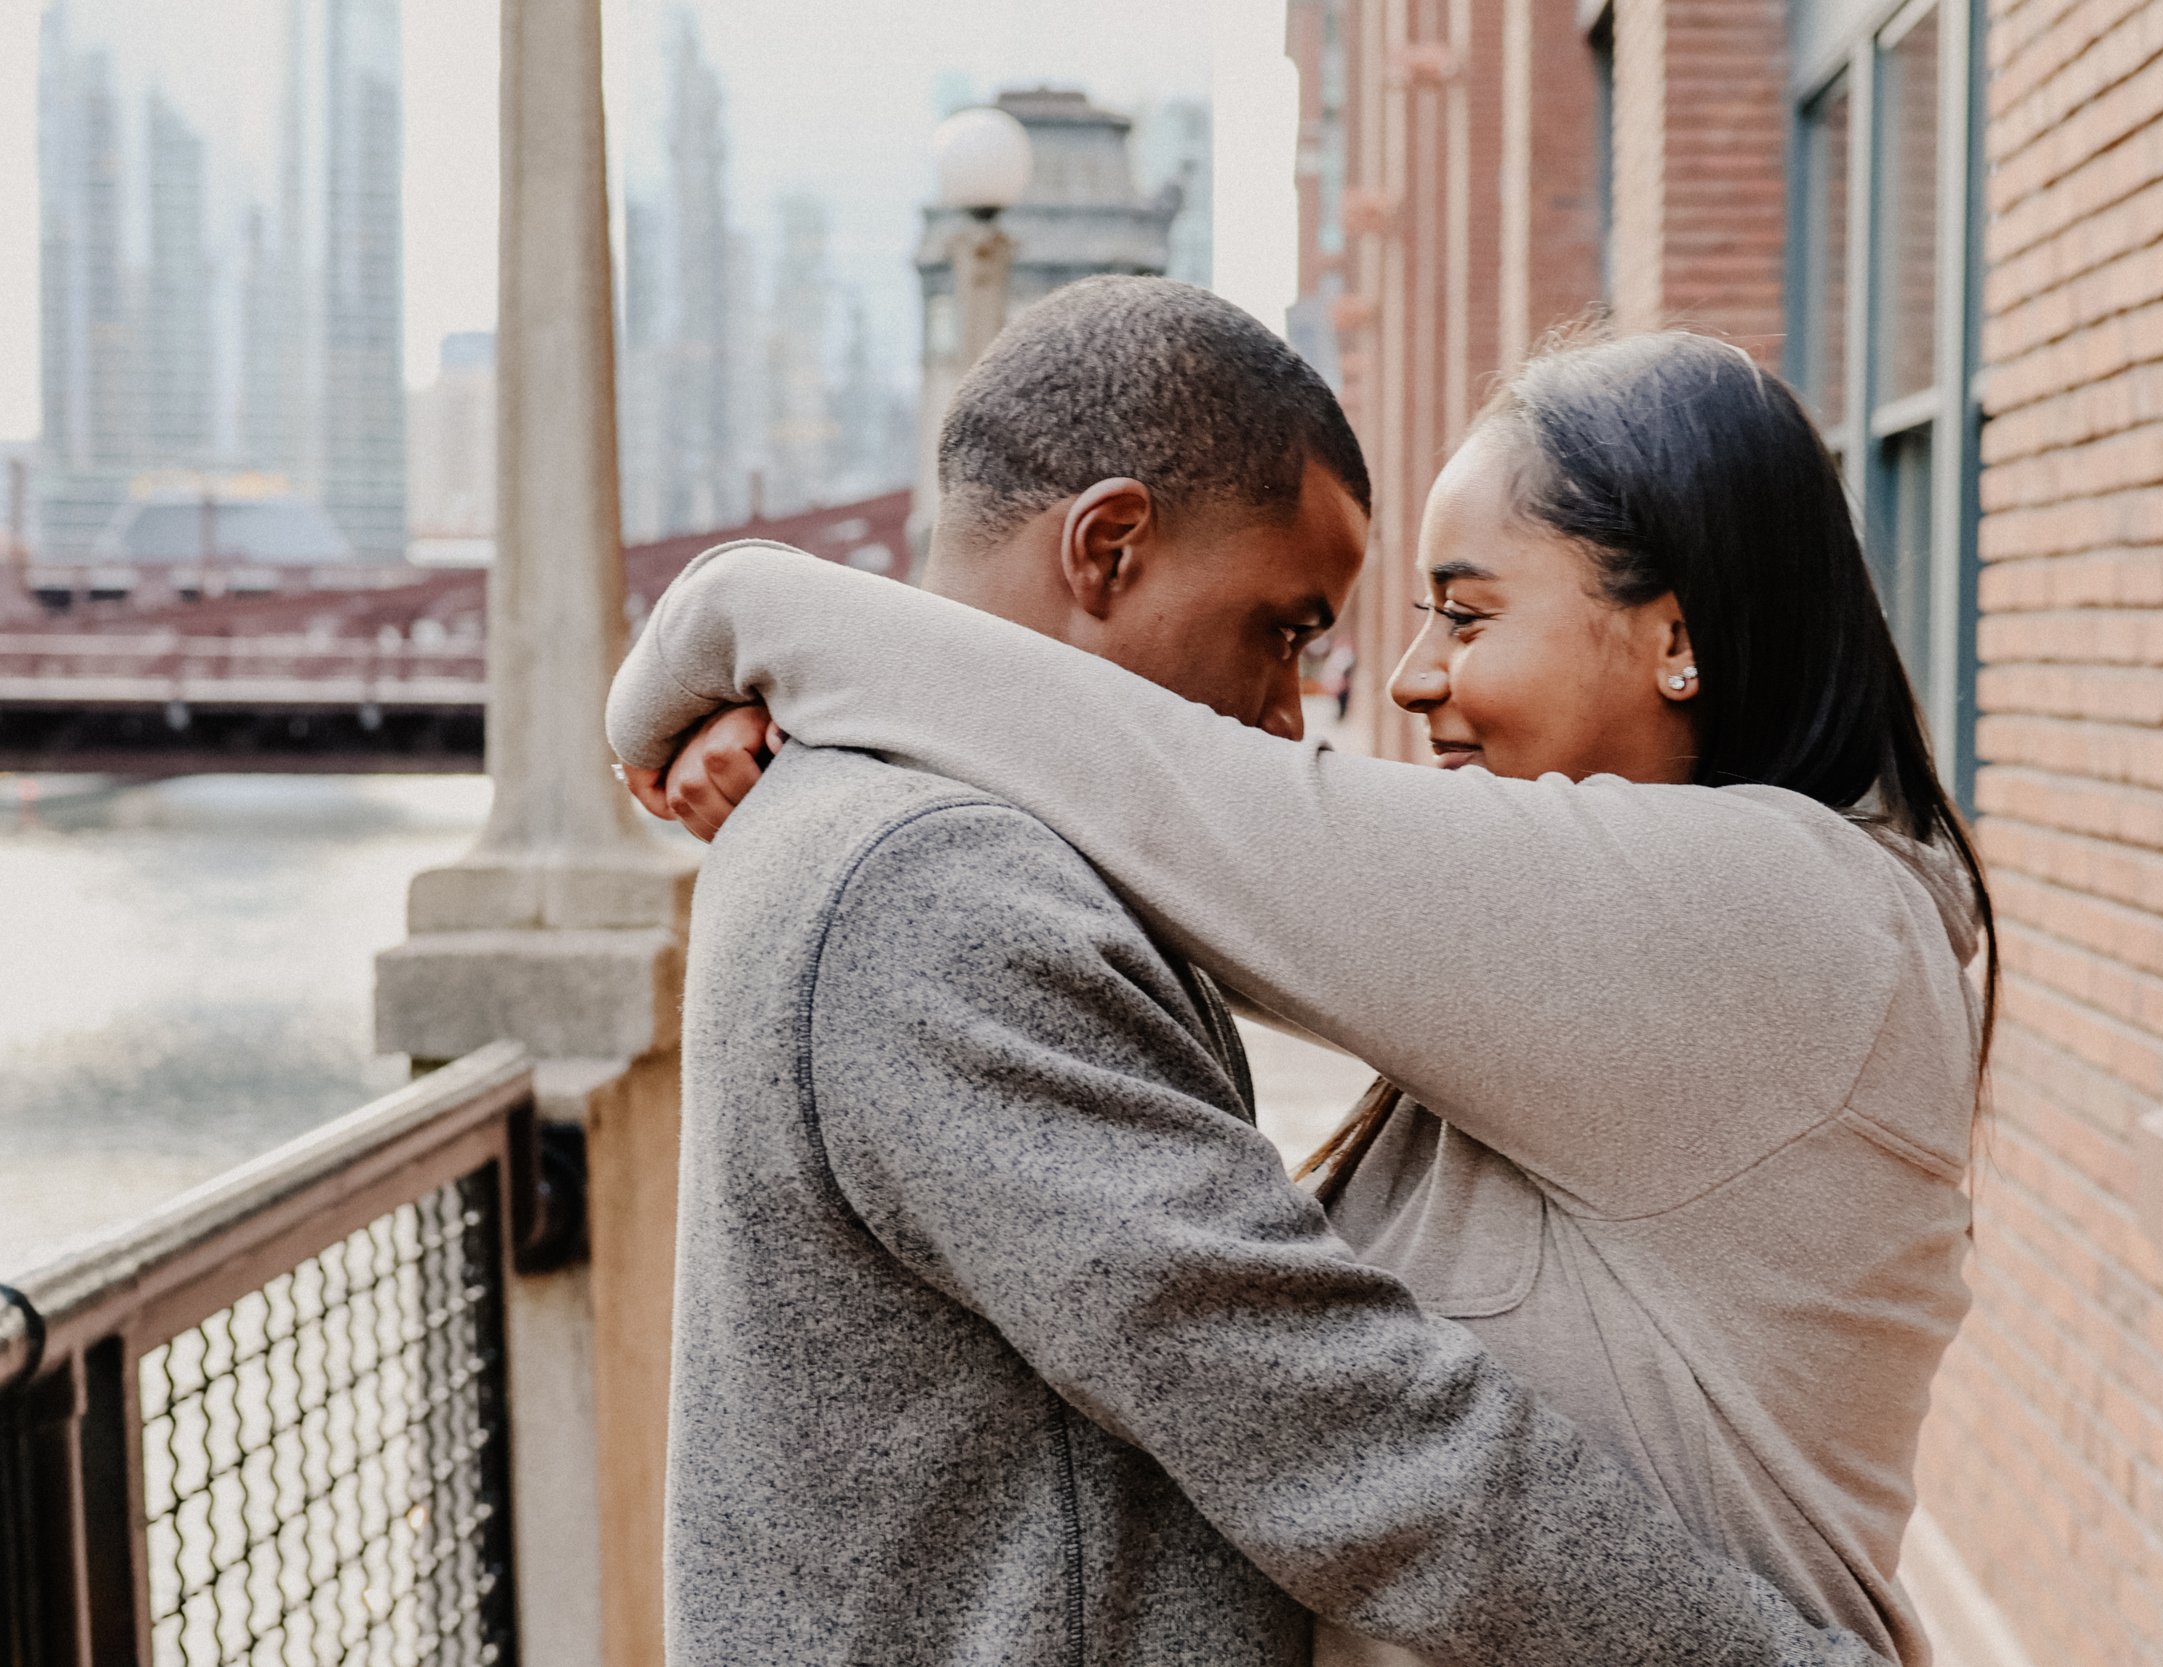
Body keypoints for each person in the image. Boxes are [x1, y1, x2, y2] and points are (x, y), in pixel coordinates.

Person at [617, 326, 1996, 1667]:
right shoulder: (923, 882)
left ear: (1674, 635)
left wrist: (735, 616)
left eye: (1466, 612)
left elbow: (1194, 806)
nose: (1403, 680)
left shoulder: (1770, 914)